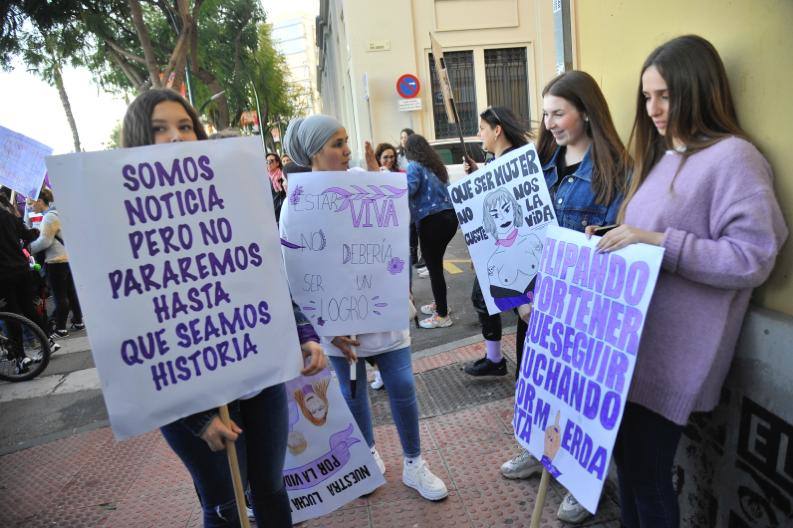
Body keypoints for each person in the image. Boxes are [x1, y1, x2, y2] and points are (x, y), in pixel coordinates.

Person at [588, 35, 786, 528]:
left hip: (674, 359)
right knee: (630, 471)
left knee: (649, 477)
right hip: (633, 350)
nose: (653, 108)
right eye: (647, 96)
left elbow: (753, 257)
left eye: (665, 96)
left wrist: (660, 243)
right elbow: (649, 236)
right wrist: (616, 237)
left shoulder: (735, 158)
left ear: (698, 89)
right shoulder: (664, 157)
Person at [121, 88, 328, 528]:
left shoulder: (236, 197)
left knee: (270, 490)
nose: (176, 137)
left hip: (259, 382)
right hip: (191, 400)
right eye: (160, 129)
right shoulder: (121, 228)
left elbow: (263, 277)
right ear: (138, 140)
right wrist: (197, 419)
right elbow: (132, 334)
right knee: (224, 504)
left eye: (185, 126)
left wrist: (304, 333)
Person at [282, 114, 449, 501]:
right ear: (313, 152)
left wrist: (382, 183)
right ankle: (368, 456)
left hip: (382, 313)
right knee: (352, 391)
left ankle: (414, 463)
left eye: (346, 141)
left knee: (403, 386)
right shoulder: (296, 202)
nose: (347, 150)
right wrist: (324, 326)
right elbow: (296, 272)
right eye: (337, 143)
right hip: (335, 323)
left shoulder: (364, 180)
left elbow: (393, 234)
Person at [462, 106, 533, 379]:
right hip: (497, 248)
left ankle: (497, 360)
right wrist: (478, 176)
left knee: (509, 302)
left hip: (516, 250)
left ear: (497, 130)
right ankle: (494, 358)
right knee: (488, 298)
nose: (479, 134)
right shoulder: (496, 162)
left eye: (482, 128)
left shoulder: (516, 162)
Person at [404, 134, 458, 329]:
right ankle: (440, 303)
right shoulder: (437, 167)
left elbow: (408, 189)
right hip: (450, 219)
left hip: (431, 222)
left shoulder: (414, 166)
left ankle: (442, 315)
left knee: (434, 269)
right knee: (436, 265)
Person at [29, 188, 84, 339]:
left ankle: (60, 328)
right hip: (66, 258)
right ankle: (78, 321)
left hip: (55, 260)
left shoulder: (49, 217)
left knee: (60, 295)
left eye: (31, 202)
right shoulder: (58, 213)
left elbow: (44, 241)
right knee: (71, 293)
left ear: (40, 201)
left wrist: (28, 248)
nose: (29, 206)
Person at [397, 128, 425, 275]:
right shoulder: (398, 156)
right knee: (410, 228)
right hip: (404, 196)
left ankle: (423, 257)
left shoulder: (415, 160)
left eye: (406, 137)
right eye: (401, 137)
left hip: (412, 194)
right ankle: (413, 255)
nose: (403, 140)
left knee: (418, 226)